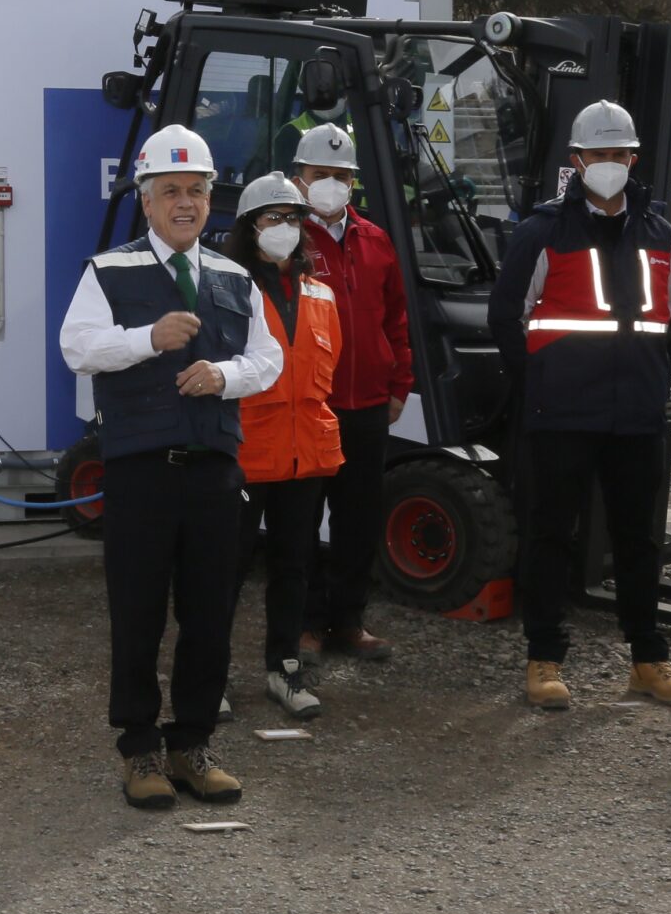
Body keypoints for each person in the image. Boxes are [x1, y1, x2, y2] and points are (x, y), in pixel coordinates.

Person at [60, 125, 283, 810]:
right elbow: (78, 347)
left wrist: (222, 373)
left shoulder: (234, 277)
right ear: (147, 201)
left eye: (196, 190)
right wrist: (146, 339)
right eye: (170, 191)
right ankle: (139, 749)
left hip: (213, 472)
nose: (184, 203)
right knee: (138, 613)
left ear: (211, 198)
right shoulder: (109, 270)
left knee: (210, 614)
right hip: (139, 471)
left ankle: (191, 745)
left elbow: (268, 360)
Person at [488, 100, 671, 711]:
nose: (610, 165)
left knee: (638, 541)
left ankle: (647, 661)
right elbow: (508, 318)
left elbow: (669, 316)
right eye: (598, 155)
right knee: (550, 535)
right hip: (561, 415)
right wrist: (545, 382)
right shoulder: (542, 232)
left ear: (633, 160)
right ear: (576, 161)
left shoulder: (660, 233)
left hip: (636, 415)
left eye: (619, 155)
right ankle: (544, 660)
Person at [288, 123, 413, 662]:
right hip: (312, 406)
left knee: (357, 520)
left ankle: (349, 622)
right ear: (300, 180)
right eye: (322, 175)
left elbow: (396, 320)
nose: (333, 184)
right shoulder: (285, 242)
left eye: (342, 176)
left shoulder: (376, 241)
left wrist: (398, 383)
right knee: (302, 520)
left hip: (365, 406)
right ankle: (306, 625)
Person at [224, 173, 344, 721]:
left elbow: (327, 368)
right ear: (250, 228)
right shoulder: (227, 287)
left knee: (294, 567)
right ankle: (210, 675)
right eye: (273, 218)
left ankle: (285, 668)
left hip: (306, 455)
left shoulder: (320, 292)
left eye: (293, 218)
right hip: (247, 453)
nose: (285, 228)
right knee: (223, 569)